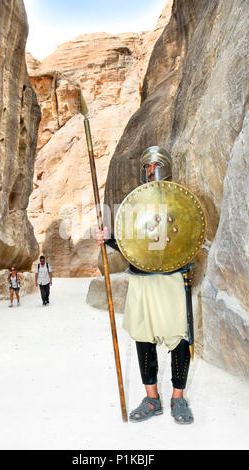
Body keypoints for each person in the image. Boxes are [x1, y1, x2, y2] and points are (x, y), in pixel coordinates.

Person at [96, 146, 194, 424]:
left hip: (171, 279)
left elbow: (188, 237)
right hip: (141, 280)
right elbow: (131, 240)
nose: (150, 171)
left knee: (179, 338)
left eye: (155, 165)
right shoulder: (137, 204)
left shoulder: (179, 202)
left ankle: (178, 398)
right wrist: (109, 238)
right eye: (147, 167)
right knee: (143, 338)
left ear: (166, 166)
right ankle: (152, 399)